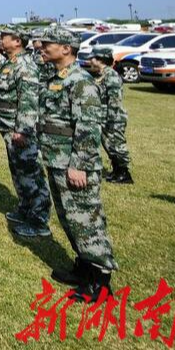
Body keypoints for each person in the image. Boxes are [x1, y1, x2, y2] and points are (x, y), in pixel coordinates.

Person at [37, 27, 118, 301]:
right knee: (70, 219)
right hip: (57, 159)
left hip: (74, 163)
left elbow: (88, 126)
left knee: (87, 221)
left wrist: (79, 164)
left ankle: (101, 282)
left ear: (66, 48)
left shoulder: (81, 81)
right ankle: (83, 268)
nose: (42, 47)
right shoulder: (58, 77)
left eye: (48, 43)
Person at [0, 27, 52, 238]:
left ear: (17, 41)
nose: (0, 40)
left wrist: (23, 130)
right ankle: (26, 209)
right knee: (19, 171)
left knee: (30, 173)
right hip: (7, 126)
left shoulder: (25, 65)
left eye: (3, 37)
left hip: (19, 130)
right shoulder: (11, 62)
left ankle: (39, 221)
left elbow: (28, 100)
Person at [85, 46, 133, 184]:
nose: (90, 62)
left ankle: (124, 173)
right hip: (104, 116)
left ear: (100, 60)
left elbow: (115, 101)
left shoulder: (111, 75)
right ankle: (117, 170)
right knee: (109, 145)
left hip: (113, 118)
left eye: (92, 59)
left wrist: (111, 121)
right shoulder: (101, 75)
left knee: (116, 144)